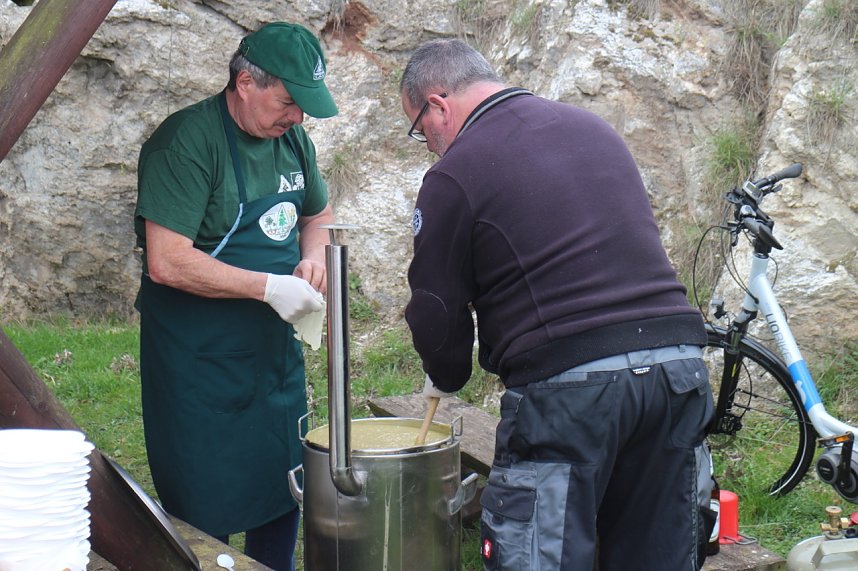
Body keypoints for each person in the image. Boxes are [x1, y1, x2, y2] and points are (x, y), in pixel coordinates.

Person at [400, 39, 716, 570]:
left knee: (541, 556)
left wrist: (445, 371)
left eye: (420, 129)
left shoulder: (454, 172)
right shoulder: (592, 127)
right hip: (678, 367)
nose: (430, 145)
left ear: (438, 105)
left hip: (573, 390)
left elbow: (435, 308)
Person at [134, 22, 337, 571]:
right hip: (200, 363)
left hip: (273, 357)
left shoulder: (292, 139)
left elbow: (316, 214)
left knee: (282, 484)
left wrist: (312, 258)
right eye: (289, 101)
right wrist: (269, 287)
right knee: (205, 502)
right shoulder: (186, 143)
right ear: (245, 82)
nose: (297, 116)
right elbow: (168, 260)